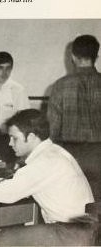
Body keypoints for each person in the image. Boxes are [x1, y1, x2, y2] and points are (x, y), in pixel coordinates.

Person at [0, 109, 95, 245]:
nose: (10, 143)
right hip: (84, 230)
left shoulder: (44, 161)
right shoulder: (55, 152)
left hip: (70, 234)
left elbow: (6, 193)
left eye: (14, 138)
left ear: (32, 137)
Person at [47, 34, 101, 201]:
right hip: (99, 155)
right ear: (96, 56)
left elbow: (52, 130)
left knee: (74, 208)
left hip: (70, 157)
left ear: (72, 56)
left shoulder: (60, 86)